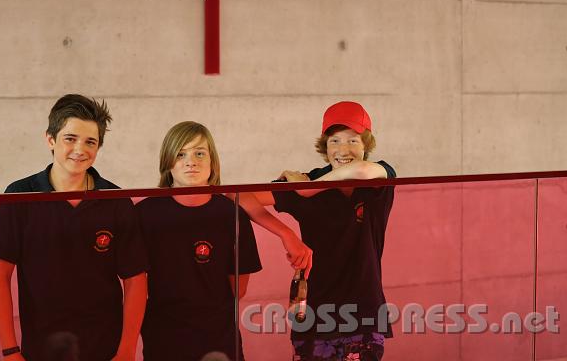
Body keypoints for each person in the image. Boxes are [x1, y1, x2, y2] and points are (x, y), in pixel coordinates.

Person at [0, 94, 148, 361]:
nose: (80, 149)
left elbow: (135, 280)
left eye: (90, 142)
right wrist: (10, 350)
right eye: (70, 138)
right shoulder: (20, 195)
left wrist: (127, 349)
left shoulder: (115, 200)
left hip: (105, 350)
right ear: (50, 139)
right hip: (41, 349)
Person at [240, 101, 396, 361]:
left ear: (366, 145)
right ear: (324, 146)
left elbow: (361, 169)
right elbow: (240, 197)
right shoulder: (303, 179)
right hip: (313, 315)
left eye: (352, 141)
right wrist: (286, 234)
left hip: (364, 316)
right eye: (334, 141)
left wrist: (306, 188)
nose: (343, 149)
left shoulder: (378, 177)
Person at [136, 121, 263, 361]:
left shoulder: (232, 214)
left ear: (212, 161)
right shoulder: (144, 215)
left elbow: (239, 288)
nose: (190, 161)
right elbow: (136, 285)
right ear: (167, 162)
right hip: (163, 339)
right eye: (181, 153)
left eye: (199, 153)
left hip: (219, 339)